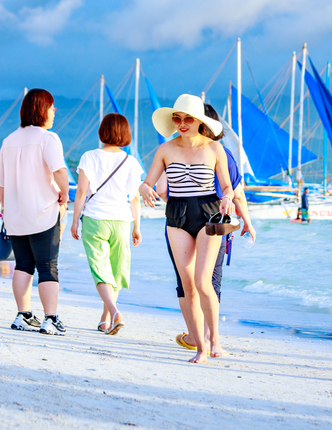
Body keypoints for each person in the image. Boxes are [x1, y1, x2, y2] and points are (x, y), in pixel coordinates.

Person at [139, 94, 236, 364]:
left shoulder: (214, 149)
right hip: (177, 215)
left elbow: (227, 186)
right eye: (178, 118)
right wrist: (144, 188)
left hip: (209, 213)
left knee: (204, 281)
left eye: (188, 118)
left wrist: (227, 198)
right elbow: (147, 182)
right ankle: (201, 348)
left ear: (199, 121)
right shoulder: (165, 149)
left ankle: (215, 340)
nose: (182, 123)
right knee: (188, 284)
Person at [164, 103, 255, 352]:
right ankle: (206, 338)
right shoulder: (222, 151)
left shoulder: (175, 151)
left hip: (179, 218)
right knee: (210, 281)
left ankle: (196, 338)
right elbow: (237, 191)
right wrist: (247, 220)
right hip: (213, 220)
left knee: (187, 284)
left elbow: (163, 189)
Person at [0, 89, 69, 334]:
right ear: (41, 109)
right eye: (51, 107)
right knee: (48, 266)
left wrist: (8, 210)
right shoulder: (48, 138)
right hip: (43, 212)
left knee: (23, 265)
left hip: (16, 215)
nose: (54, 111)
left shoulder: (8, 141)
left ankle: (23, 315)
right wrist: (65, 194)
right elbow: (58, 171)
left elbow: (2, 184)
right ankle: (51, 318)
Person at [71, 113, 143, 335]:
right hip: (121, 220)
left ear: (102, 131)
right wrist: (137, 226)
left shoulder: (89, 157)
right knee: (115, 270)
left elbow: (82, 191)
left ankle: (113, 311)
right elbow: (135, 197)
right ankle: (105, 318)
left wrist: (74, 220)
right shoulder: (131, 162)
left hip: (95, 220)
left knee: (101, 270)